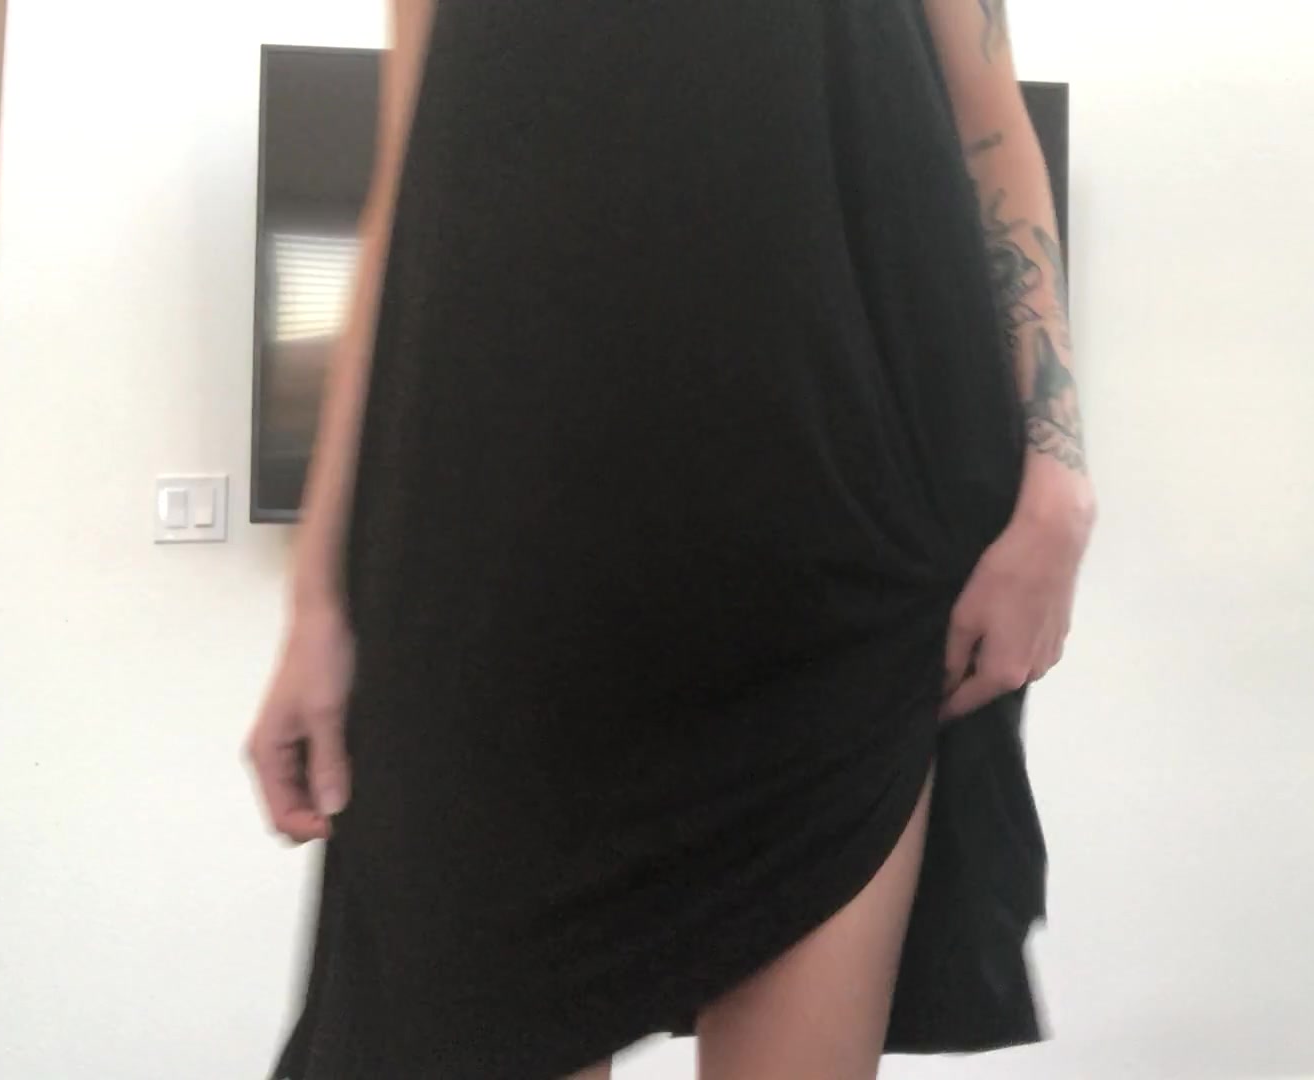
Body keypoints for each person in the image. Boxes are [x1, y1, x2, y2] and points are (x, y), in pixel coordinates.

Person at [246, 0, 1093, 1076]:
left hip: (827, 584)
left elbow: (989, 129)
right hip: (490, 600)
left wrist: (1059, 481)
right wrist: (316, 600)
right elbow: (406, 207)